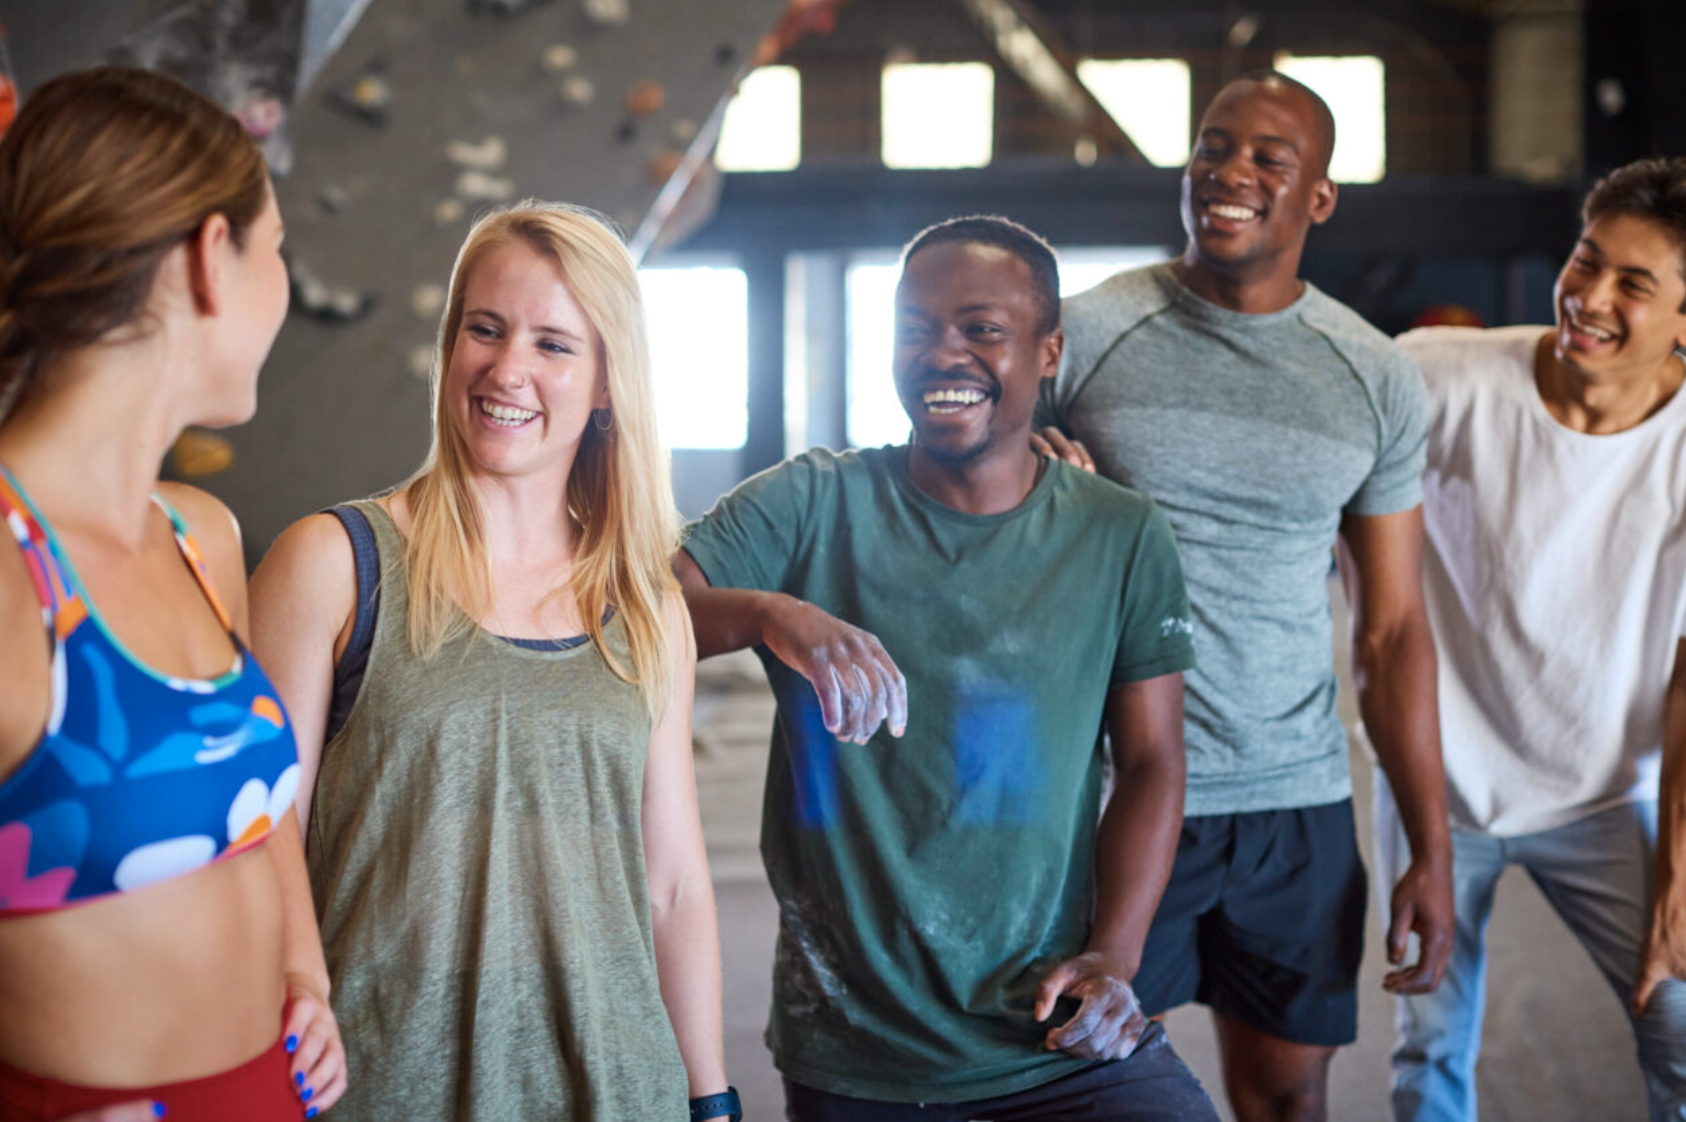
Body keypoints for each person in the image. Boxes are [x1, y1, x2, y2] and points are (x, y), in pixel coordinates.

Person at [676, 215, 1220, 1121]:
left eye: (982, 330)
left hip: (1055, 1032)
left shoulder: (1119, 533)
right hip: (861, 1046)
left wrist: (1118, 956)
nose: (942, 354)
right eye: (916, 329)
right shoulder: (812, 502)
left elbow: (1155, 760)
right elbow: (634, 618)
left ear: (1047, 353)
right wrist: (771, 614)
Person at [248, 201, 736, 1121]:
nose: (507, 367)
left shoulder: (644, 608)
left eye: (554, 344)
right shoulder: (332, 564)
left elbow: (672, 884)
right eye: (486, 328)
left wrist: (711, 1098)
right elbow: (262, 829)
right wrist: (291, 987)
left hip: (619, 1085)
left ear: (605, 384)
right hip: (382, 1084)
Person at [1035, 70, 1454, 1122]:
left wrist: (1429, 849)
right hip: (1110, 790)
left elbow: (1394, 630)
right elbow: (963, 506)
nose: (1229, 173)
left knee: (1285, 1098)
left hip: (1292, 805)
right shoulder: (1085, 335)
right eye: (1214, 148)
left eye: (1270, 158)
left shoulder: (1373, 375)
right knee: (1099, 1088)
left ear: (1319, 197)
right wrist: (1043, 501)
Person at [0, 67, 343, 1120]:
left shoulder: (202, 536)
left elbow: (253, 811)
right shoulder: (12, 571)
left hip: (268, 1090)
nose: (283, 280)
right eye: (275, 247)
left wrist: (303, 971)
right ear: (209, 258)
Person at [1377, 156, 1686, 1121]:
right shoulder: (1438, 379)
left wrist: (1678, 879)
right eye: (1586, 261)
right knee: (1429, 1055)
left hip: (1600, 792)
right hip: (1441, 786)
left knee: (1678, 1025)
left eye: (1634, 284)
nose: (1589, 297)